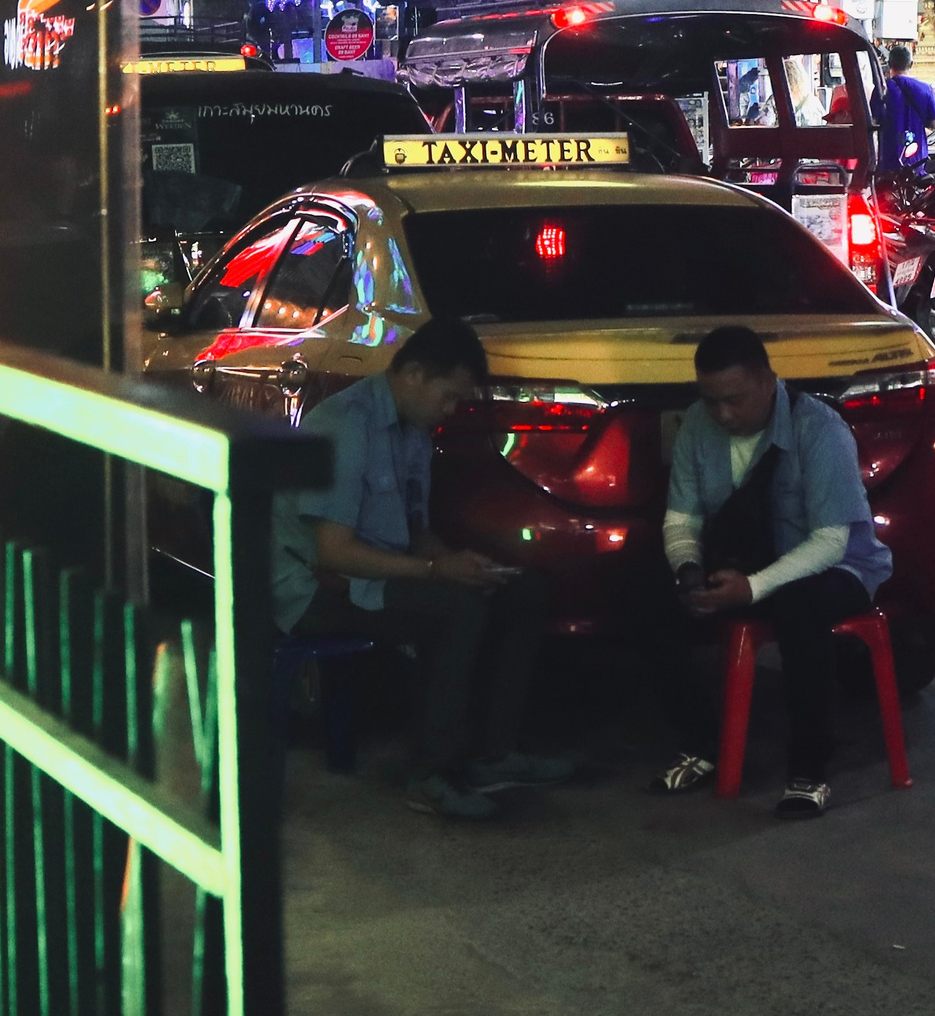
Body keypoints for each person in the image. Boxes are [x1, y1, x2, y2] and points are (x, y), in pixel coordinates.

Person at [279, 317, 573, 821]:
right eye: (449, 397)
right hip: (317, 587)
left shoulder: (412, 431)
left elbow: (412, 531)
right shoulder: (346, 425)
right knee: (455, 609)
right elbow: (334, 552)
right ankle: (430, 774)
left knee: (523, 592)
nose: (451, 411)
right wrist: (438, 570)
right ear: (413, 374)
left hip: (374, 573)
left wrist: (463, 563)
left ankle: (493, 754)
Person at [645, 325, 893, 818]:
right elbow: (682, 518)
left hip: (839, 566)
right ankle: (699, 745)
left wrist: (752, 589)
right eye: (712, 400)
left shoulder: (819, 429)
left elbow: (829, 542)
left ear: (767, 382)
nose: (723, 414)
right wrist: (689, 571)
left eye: (734, 400)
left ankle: (809, 769)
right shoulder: (698, 423)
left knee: (801, 609)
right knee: (650, 597)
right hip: (746, 560)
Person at [875, 44, 935, 172]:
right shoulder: (925, 89)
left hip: (888, 158)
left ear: (889, 64)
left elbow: (873, 120)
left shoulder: (882, 89)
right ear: (911, 64)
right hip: (917, 158)